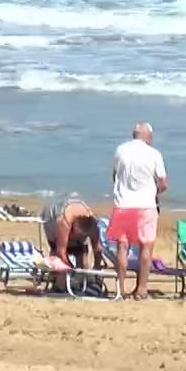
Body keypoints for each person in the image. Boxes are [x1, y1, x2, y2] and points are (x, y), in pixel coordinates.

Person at [106, 122, 167, 300]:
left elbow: (114, 175)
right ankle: (141, 289)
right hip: (146, 204)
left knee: (122, 247)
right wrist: (155, 191)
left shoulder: (121, 150)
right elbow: (163, 183)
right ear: (148, 135)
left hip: (123, 204)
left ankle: (120, 288)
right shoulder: (154, 154)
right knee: (145, 246)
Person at [41, 193, 104, 290]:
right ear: (72, 228)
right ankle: (59, 284)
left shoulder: (93, 226)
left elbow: (98, 249)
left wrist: (97, 268)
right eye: (77, 235)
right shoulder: (63, 222)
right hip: (52, 214)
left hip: (76, 206)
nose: (77, 238)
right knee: (57, 254)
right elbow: (61, 252)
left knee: (82, 251)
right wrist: (72, 270)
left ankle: (83, 284)